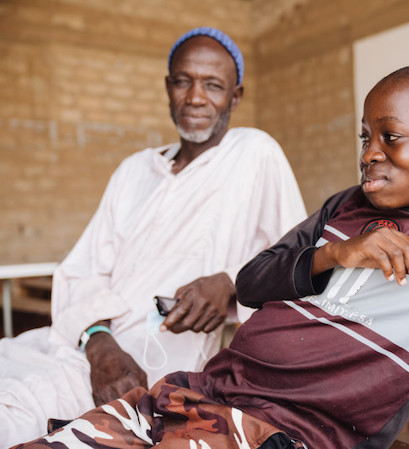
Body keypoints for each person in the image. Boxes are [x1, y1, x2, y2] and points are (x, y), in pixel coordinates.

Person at [13, 65, 409, 449]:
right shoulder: (343, 210)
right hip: (191, 391)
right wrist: (339, 255)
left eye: (392, 137)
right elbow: (252, 281)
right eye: (366, 136)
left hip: (274, 432)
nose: (370, 153)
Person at [0, 27, 306, 447]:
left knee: (16, 413)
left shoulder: (254, 153)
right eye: (183, 81)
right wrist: (98, 344)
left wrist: (232, 282)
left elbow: (297, 260)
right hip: (82, 351)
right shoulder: (134, 170)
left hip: (150, 373)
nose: (195, 97)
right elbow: (86, 270)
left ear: (235, 96)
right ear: (168, 88)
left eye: (213, 85)